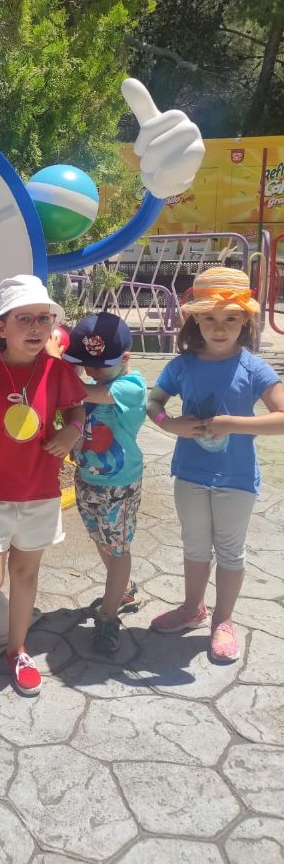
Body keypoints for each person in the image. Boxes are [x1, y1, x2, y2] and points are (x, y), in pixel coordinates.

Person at [0, 275, 86, 696]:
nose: (36, 327)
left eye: (44, 318)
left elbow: (76, 410)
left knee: (26, 574)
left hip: (39, 491)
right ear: (2, 327)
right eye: (24, 319)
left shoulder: (58, 371)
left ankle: (17, 649)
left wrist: (73, 431)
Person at [147, 266, 284, 661]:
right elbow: (153, 403)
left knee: (229, 550)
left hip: (236, 478)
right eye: (209, 318)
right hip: (189, 474)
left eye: (230, 319)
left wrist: (232, 424)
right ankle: (193, 608)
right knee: (194, 545)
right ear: (196, 321)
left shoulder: (254, 368)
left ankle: (223, 620)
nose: (220, 328)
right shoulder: (182, 366)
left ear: (246, 321)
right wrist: (169, 423)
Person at [63, 312, 146, 654]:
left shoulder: (132, 386)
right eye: (86, 364)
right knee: (101, 539)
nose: (92, 371)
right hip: (87, 479)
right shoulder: (94, 382)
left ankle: (109, 617)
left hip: (119, 486)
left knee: (118, 549)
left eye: (101, 365)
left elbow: (83, 391)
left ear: (126, 358)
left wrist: (59, 368)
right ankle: (122, 589)